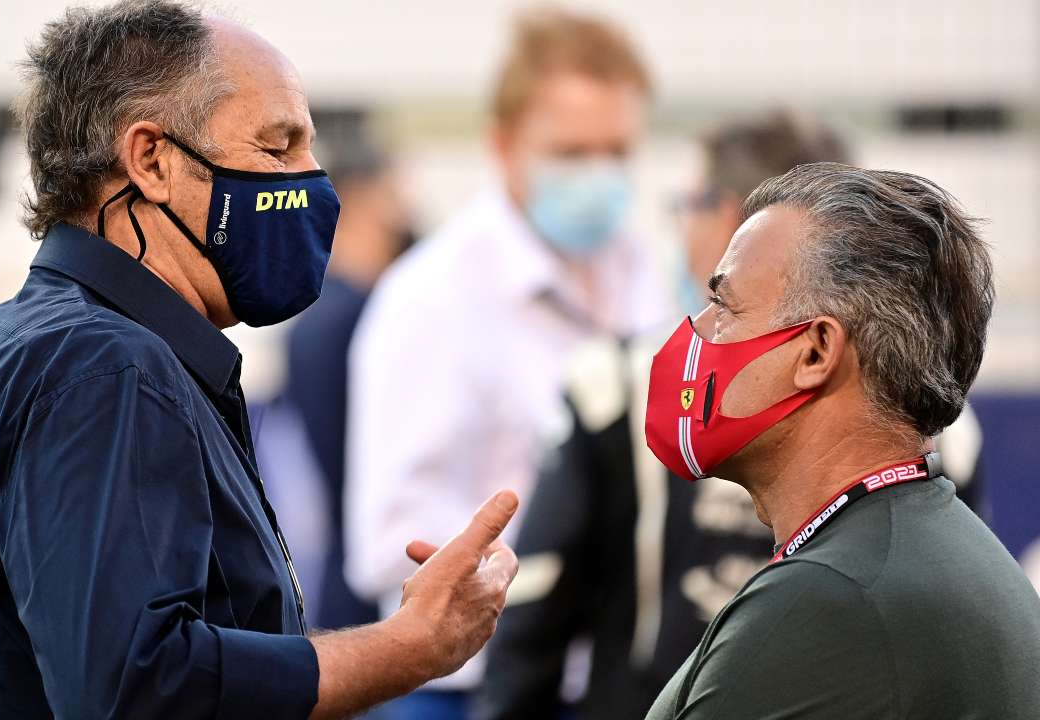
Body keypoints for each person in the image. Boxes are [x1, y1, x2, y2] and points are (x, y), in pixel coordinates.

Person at [0, 3, 520, 719]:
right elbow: (137, 687)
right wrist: (407, 647)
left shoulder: (7, 341)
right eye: (277, 147)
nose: (312, 180)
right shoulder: (102, 365)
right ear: (151, 160)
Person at [475, 113, 986, 719]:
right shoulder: (942, 465)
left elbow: (529, 642)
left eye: (725, 305)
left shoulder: (611, 388)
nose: (699, 335)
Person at [346, 11, 665, 717]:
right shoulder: (432, 299)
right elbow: (387, 540)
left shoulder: (642, 275)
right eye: (573, 152)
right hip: (467, 688)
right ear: (503, 144)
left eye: (617, 151)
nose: (600, 174)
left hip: (615, 678)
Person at [642, 163, 1040, 718]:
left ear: (815, 352)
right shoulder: (931, 554)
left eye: (726, 306)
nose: (699, 332)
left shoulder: (827, 601)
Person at [284, 131, 412, 631]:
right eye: (396, 194)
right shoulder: (360, 319)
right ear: (361, 199)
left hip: (342, 568)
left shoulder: (312, 314)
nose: (406, 209)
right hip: (375, 574)